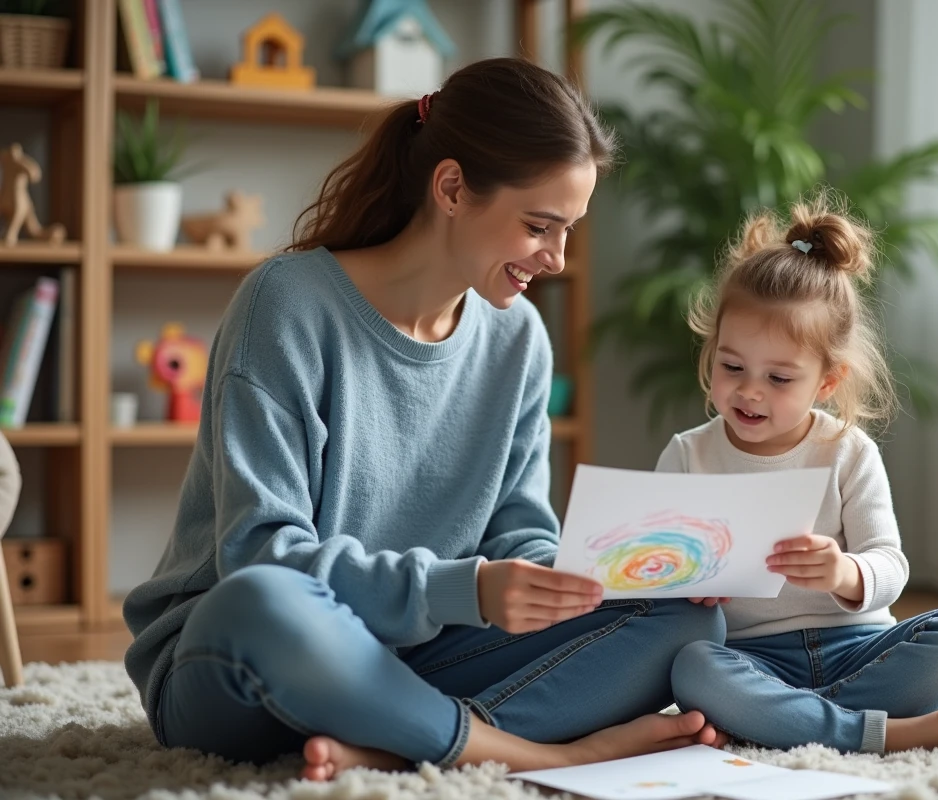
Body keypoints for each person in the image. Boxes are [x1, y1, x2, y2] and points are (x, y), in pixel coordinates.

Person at [122, 57, 725, 782]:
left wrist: (595, 577)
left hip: (419, 653)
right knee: (261, 599)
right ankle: (537, 753)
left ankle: (395, 739)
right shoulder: (286, 305)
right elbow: (260, 556)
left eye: (568, 231)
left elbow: (518, 530)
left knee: (688, 620)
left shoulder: (519, 340)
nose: (558, 258)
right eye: (539, 225)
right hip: (242, 662)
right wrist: (465, 590)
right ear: (451, 188)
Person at [660, 189, 938, 755]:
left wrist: (843, 573)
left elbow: (890, 564)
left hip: (859, 645)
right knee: (693, 667)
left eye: (779, 378)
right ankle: (880, 731)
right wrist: (689, 584)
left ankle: (789, 722)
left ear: (827, 382)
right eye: (732, 365)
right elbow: (660, 583)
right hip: (753, 658)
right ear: (712, 351)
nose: (749, 391)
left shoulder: (848, 451)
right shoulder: (688, 456)